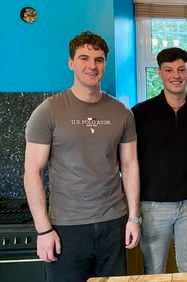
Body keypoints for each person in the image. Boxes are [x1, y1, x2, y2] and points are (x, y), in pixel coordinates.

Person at [23, 31, 141, 282]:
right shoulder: (49, 111)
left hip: (113, 222)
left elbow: (130, 165)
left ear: (105, 64)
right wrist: (43, 230)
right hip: (67, 227)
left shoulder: (121, 112)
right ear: (71, 63)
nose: (92, 65)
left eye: (99, 59)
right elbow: (32, 171)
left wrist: (133, 217)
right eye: (84, 58)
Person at [132, 47, 187, 274]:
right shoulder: (140, 113)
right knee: (154, 269)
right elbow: (129, 162)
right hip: (152, 206)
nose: (175, 75)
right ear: (159, 73)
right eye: (169, 70)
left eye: (181, 69)